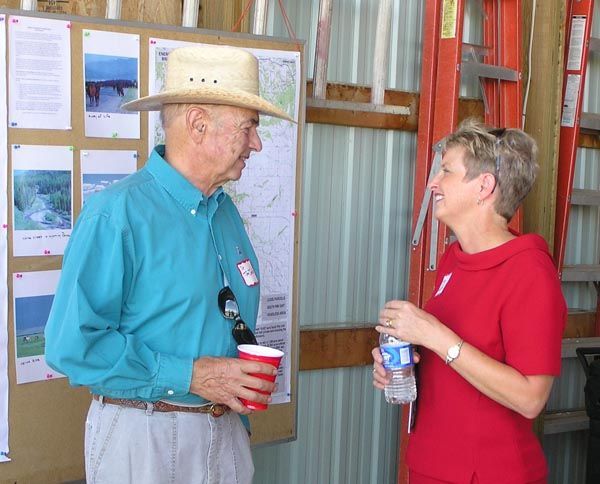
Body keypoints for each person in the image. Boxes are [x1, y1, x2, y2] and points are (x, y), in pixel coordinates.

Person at [45, 45, 293, 484]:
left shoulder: (225, 212)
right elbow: (72, 345)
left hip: (224, 433)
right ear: (198, 124)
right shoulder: (116, 214)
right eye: (249, 126)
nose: (256, 142)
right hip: (145, 436)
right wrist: (190, 375)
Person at [371, 119, 566, 483]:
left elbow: (530, 398)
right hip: (432, 465)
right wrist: (401, 365)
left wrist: (436, 336)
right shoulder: (454, 258)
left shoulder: (530, 273)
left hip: (491, 473)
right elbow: (447, 361)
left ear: (484, 186)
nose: (433, 183)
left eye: (446, 171)